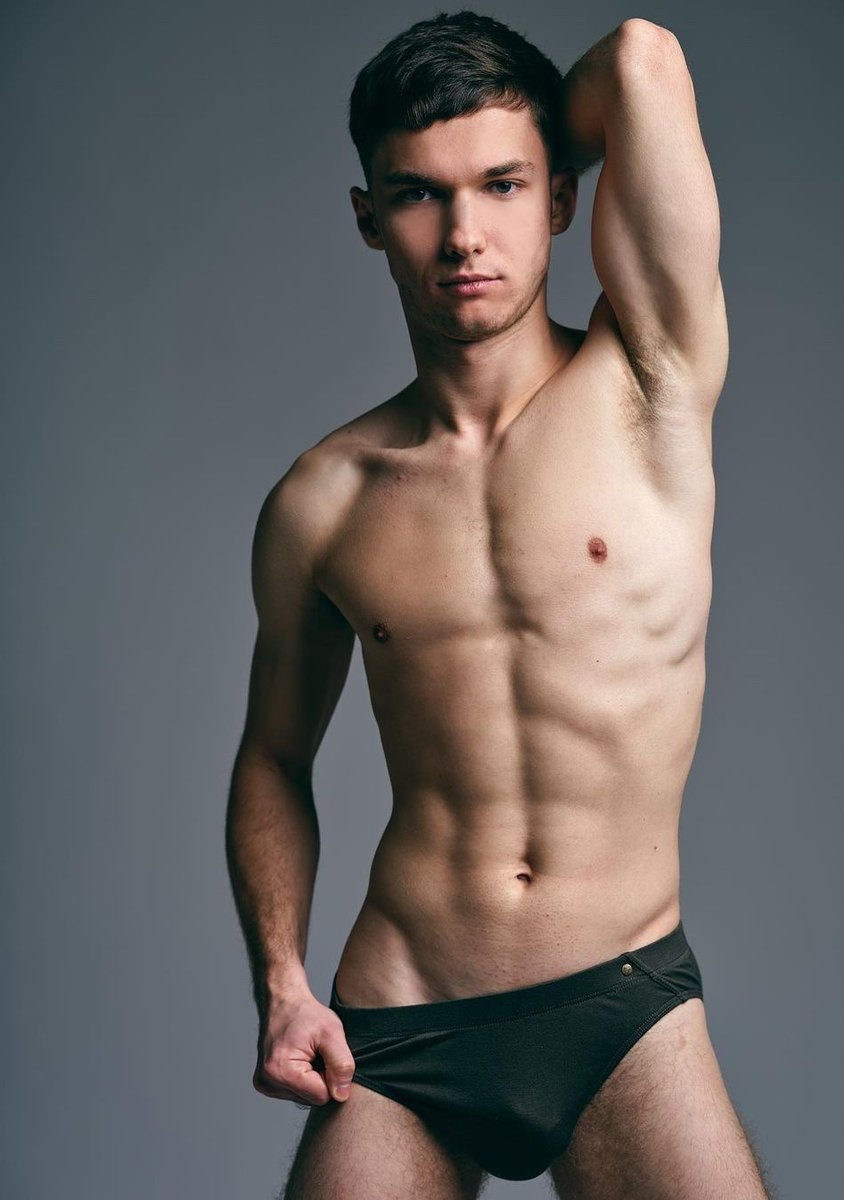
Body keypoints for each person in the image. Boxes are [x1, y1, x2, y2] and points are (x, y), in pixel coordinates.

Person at [226, 10, 775, 1199]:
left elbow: (642, 59)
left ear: (564, 197)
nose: (464, 233)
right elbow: (274, 755)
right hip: (404, 1018)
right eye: (419, 194)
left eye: (504, 185)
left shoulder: (651, 380)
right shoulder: (323, 500)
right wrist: (281, 983)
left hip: (622, 1001)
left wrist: (526, 119)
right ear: (368, 218)